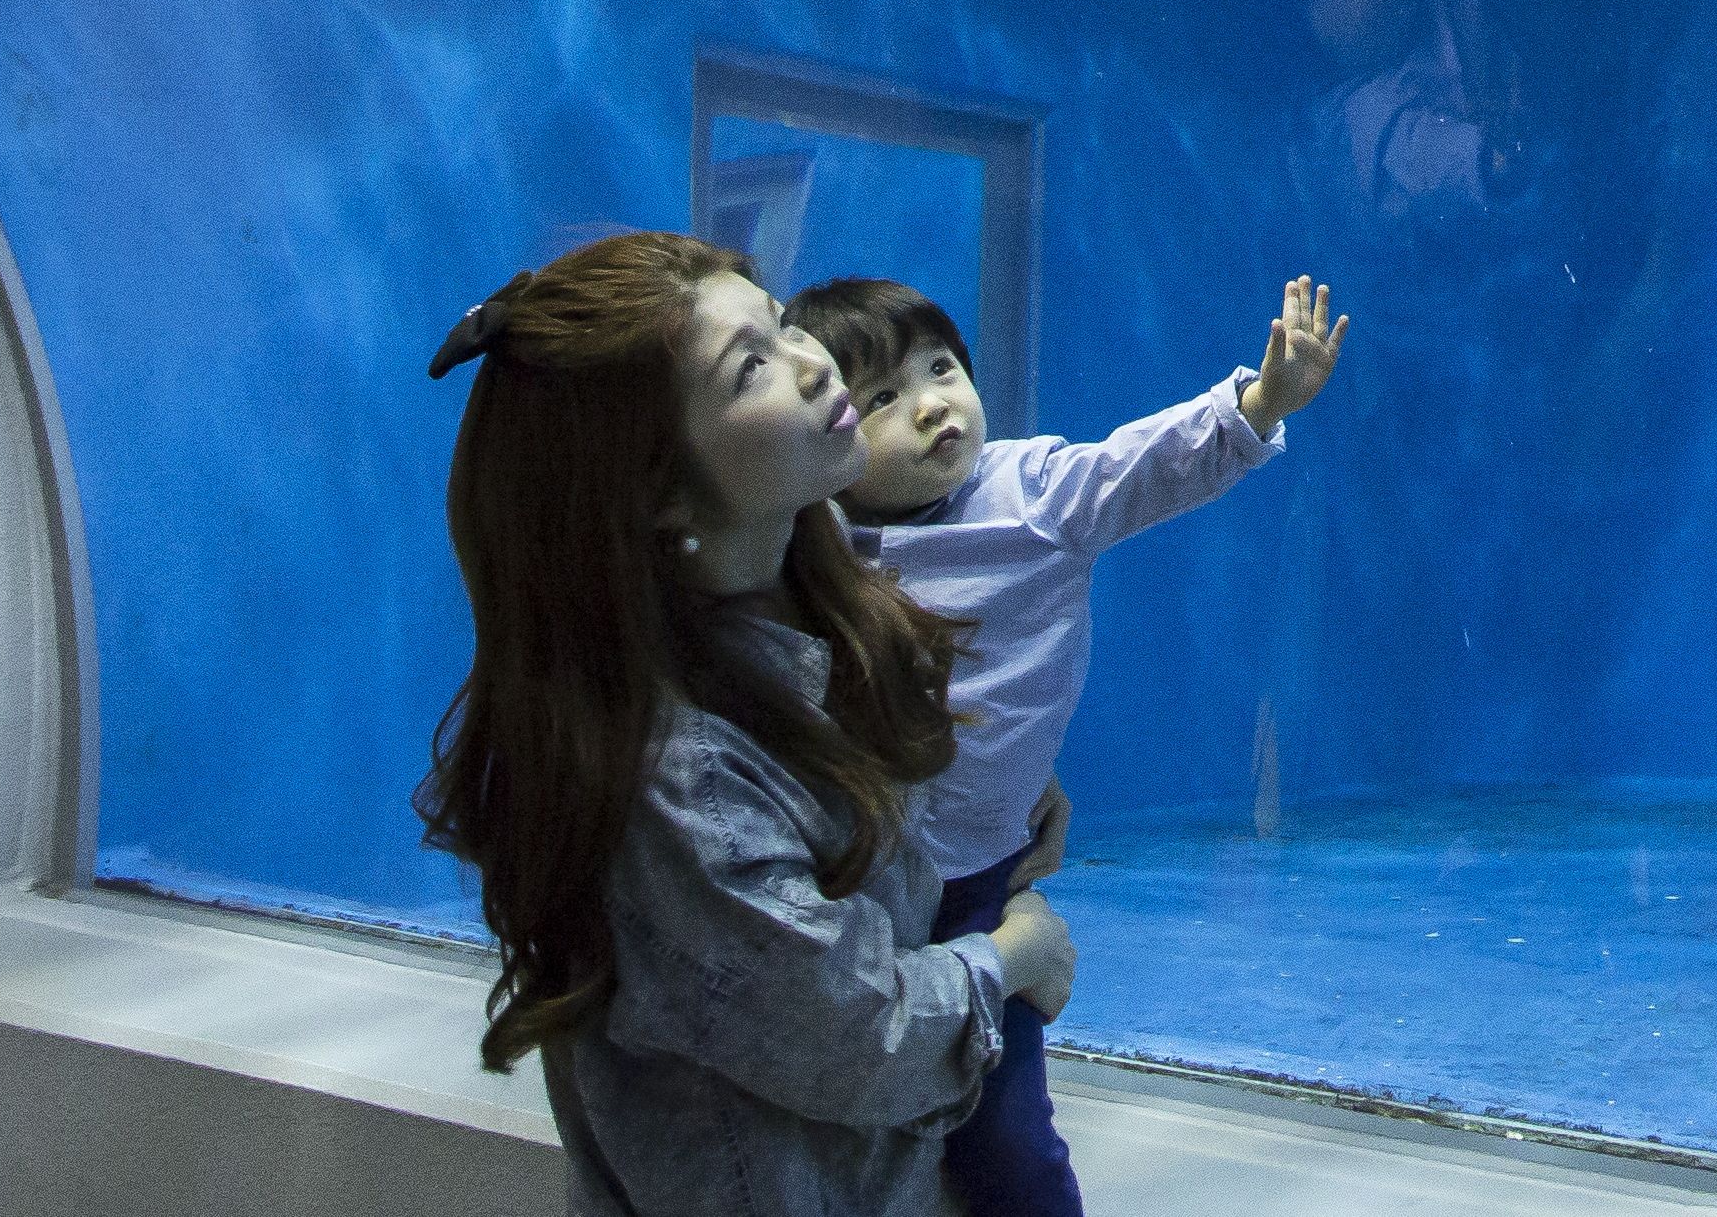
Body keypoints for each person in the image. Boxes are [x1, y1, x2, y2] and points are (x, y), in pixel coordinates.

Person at [419, 234, 1080, 1216]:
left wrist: (996, 784)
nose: (814, 359)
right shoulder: (680, 781)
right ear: (659, 490)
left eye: (776, 321)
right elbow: (861, 1040)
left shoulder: (805, 615)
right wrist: (1015, 951)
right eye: (752, 368)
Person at [786, 273, 1348, 1217]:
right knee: (852, 1109)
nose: (932, 406)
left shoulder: (1030, 489)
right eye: (883, 398)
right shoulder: (813, 543)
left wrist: (1262, 402)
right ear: (831, 432)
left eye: (943, 369)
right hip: (853, 874)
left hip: (981, 880)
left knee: (1009, 1141)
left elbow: (1147, 464)